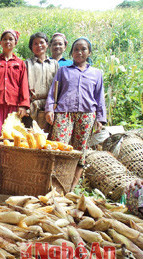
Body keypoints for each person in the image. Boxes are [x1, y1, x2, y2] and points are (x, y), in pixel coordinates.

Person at [45, 37, 106, 189]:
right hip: (64, 113)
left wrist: (100, 119)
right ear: (71, 53)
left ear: (89, 52)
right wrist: (50, 109)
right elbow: (54, 92)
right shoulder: (63, 71)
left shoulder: (96, 73)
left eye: (83, 49)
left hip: (86, 114)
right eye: (76, 49)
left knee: (80, 149)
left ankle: (72, 186)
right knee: (59, 145)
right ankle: (54, 185)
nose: (79, 52)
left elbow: (99, 96)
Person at [0, 29, 30, 137]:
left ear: (16, 42)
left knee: (12, 135)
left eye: (11, 39)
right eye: (4, 39)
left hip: (14, 105)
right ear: (0, 43)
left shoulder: (20, 64)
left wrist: (23, 105)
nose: (7, 41)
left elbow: (24, 85)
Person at [24, 32, 59, 131]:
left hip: (51, 107)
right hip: (32, 107)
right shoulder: (27, 64)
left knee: (49, 139)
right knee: (31, 137)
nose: (39, 46)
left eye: (41, 42)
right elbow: (22, 86)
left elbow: (58, 86)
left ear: (47, 45)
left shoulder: (54, 64)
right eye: (35, 43)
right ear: (31, 47)